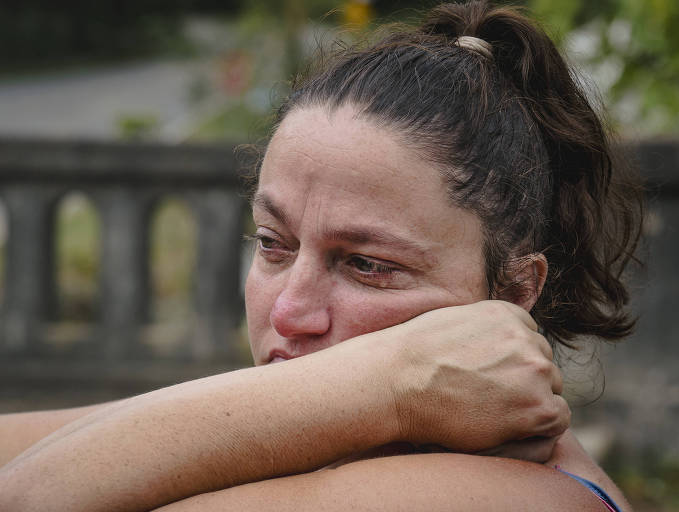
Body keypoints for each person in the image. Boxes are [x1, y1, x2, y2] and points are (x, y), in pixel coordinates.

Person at [0, 1, 641, 510]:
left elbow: (30, 496)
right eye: (274, 245)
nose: (288, 311)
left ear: (515, 290)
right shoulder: (353, 439)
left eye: (367, 265)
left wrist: (389, 384)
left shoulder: (524, 499)